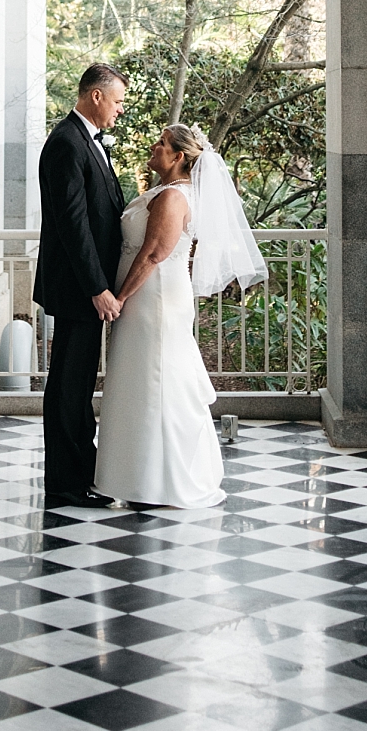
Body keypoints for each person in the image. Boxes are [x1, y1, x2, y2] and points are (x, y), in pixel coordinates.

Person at [95, 122, 268, 510]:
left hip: (153, 299)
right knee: (138, 383)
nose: (154, 147)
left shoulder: (174, 197)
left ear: (178, 157)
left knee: (158, 382)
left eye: (162, 144)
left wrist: (119, 297)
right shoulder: (161, 190)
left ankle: (164, 482)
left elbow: (154, 254)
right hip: (144, 298)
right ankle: (136, 477)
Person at [34, 63, 127, 507]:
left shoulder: (85, 140)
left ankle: (78, 473)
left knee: (77, 384)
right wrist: (97, 287)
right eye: (117, 101)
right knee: (69, 386)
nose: (119, 110)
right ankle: (66, 484)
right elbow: (73, 226)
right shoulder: (66, 143)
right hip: (77, 290)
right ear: (95, 97)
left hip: (85, 289)